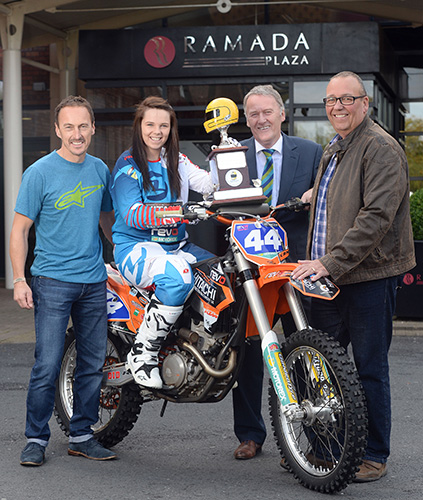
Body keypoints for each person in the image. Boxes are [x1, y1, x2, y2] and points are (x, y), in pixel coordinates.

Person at [291, 71, 416, 482]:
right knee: (321, 367)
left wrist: (329, 263)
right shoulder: (336, 147)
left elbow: (376, 217)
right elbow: (335, 205)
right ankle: (323, 448)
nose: (338, 106)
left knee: (368, 370)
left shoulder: (381, 147)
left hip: (367, 277)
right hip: (328, 279)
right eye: (331, 100)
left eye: (347, 98)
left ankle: (373, 455)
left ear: (365, 103)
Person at [10, 96, 116, 466]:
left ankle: (82, 435)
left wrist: (121, 258)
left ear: (93, 128)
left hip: (94, 281)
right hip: (51, 281)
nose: (77, 133)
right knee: (48, 364)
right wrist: (19, 279)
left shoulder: (100, 170)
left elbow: (106, 219)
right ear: (57, 130)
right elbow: (19, 230)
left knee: (92, 363)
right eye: (69, 126)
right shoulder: (38, 173)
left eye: (83, 126)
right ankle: (35, 439)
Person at [232, 85, 323, 460]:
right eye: (253, 113)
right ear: (246, 119)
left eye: (267, 111)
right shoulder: (232, 155)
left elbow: (325, 195)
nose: (261, 119)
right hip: (249, 270)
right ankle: (250, 434)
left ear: (282, 114)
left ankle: (312, 438)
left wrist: (315, 193)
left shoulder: (311, 152)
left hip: (296, 266)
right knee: (249, 352)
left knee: (304, 348)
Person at [109, 96, 214, 389]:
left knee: (222, 273)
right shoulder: (127, 164)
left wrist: (225, 162)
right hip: (136, 248)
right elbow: (131, 213)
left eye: (164, 125)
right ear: (139, 126)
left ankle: (204, 343)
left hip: (178, 246)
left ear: (171, 129)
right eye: (150, 124)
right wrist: (178, 212)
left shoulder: (177, 159)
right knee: (178, 276)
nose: (157, 131)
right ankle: (144, 352)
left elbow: (208, 185)